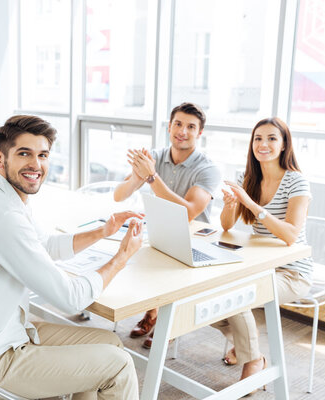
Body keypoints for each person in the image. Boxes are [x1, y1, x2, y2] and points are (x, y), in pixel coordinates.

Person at [0, 115, 144, 399]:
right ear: (0, 157)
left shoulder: (5, 197)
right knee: (118, 366)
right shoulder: (3, 216)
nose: (36, 164)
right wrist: (121, 258)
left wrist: (102, 231)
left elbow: (44, 244)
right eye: (24, 154)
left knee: (109, 342)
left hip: (2, 333)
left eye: (42, 155)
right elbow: (70, 299)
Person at [213, 117, 312, 391]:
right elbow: (225, 225)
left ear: (283, 145)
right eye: (258, 138)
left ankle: (252, 362)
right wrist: (232, 203)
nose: (263, 144)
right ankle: (252, 350)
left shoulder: (296, 182)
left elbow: (291, 235)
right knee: (205, 296)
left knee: (235, 295)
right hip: (259, 266)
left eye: (271, 138)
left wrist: (251, 203)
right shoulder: (251, 179)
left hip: (292, 272)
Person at [114, 102, 221, 348]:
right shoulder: (155, 157)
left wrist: (152, 177)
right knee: (129, 252)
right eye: (178, 124)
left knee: (164, 265)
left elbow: (189, 213)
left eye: (191, 127)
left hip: (194, 238)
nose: (182, 131)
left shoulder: (208, 169)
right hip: (158, 231)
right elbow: (119, 196)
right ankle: (152, 314)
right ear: (169, 127)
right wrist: (137, 176)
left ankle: (168, 322)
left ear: (200, 133)